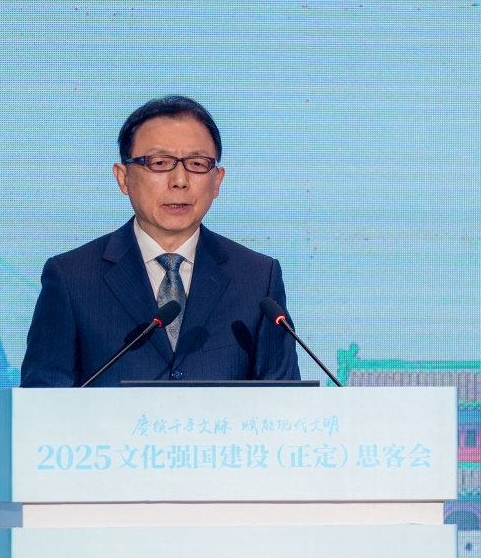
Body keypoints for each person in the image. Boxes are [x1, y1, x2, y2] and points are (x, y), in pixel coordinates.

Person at [20, 96, 300, 386]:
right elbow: (42, 400)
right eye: (160, 163)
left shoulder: (257, 278)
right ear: (123, 178)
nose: (179, 180)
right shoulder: (72, 278)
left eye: (197, 163)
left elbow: (286, 400)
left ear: (217, 181)